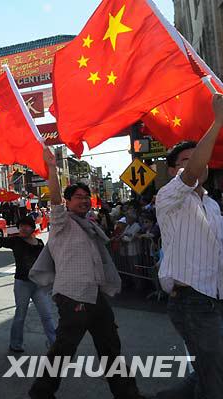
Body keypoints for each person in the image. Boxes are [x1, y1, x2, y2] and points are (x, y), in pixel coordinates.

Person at [28, 147, 146, 399]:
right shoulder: (62, 222)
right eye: (77, 197)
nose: (83, 200)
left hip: (95, 296)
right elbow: (55, 201)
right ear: (69, 202)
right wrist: (51, 169)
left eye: (86, 196)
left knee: (111, 347)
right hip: (72, 296)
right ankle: (41, 392)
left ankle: (128, 394)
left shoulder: (91, 225)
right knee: (64, 348)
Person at [155, 93, 223, 399]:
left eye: (199, 157)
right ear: (172, 171)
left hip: (215, 297)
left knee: (209, 371)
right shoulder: (169, 197)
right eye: (186, 160)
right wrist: (218, 120)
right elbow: (193, 172)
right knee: (214, 374)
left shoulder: (212, 205)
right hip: (192, 301)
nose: (197, 162)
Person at [0, 216, 56, 352]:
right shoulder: (16, 241)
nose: (23, 228)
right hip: (22, 283)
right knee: (20, 315)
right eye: (21, 226)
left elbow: (47, 261)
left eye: (26, 226)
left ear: (32, 228)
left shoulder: (40, 243)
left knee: (46, 315)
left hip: (39, 284)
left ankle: (54, 343)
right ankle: (15, 344)